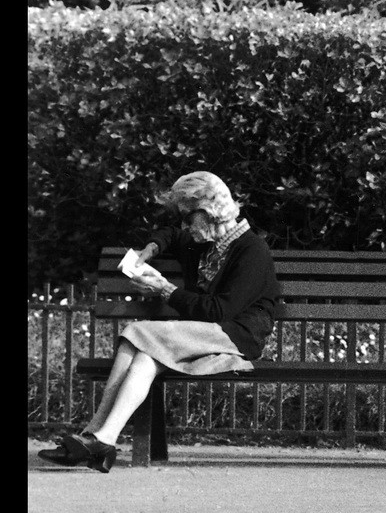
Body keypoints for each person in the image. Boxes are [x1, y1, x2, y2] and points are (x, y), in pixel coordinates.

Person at [39, 171, 281, 472]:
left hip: (236, 336)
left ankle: (92, 435)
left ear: (207, 212)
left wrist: (165, 290)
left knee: (135, 331)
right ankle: (101, 440)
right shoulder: (203, 242)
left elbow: (220, 311)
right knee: (144, 359)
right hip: (202, 335)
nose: (183, 225)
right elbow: (169, 234)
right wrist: (150, 249)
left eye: (187, 217)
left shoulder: (251, 250)